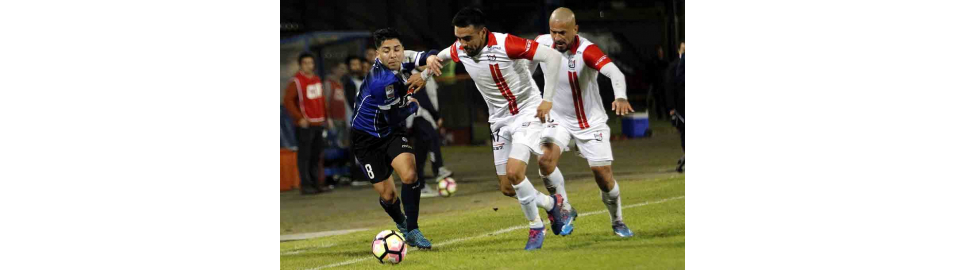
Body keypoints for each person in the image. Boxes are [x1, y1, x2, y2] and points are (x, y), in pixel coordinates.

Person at [415, 7, 569, 250]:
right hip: (498, 120)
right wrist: (423, 76)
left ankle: (536, 227)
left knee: (515, 172)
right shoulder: (459, 49)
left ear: (483, 32)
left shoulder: (506, 43)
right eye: (458, 38)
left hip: (526, 112)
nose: (461, 44)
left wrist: (547, 99)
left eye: (467, 38)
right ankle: (553, 204)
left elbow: (552, 57)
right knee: (507, 187)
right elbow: (441, 57)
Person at [531, 7, 635, 238]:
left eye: (563, 33)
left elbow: (615, 74)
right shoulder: (541, 43)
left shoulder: (587, 50)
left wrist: (620, 96)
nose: (557, 38)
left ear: (575, 29)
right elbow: (526, 67)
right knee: (545, 161)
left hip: (590, 122)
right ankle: (565, 209)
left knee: (603, 176)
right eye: (553, 32)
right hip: (558, 119)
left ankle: (617, 220)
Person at [351, 28, 442, 249]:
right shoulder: (380, 81)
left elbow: (430, 55)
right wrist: (411, 106)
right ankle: (401, 222)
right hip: (366, 138)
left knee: (410, 174)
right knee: (388, 195)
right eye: (386, 51)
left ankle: (413, 230)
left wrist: (429, 60)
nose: (393, 55)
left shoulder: (402, 58)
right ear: (377, 54)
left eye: (397, 49)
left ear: (401, 49)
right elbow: (392, 117)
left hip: (390, 134)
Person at [283, 52, 334, 195]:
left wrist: (327, 117)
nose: (308, 66)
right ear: (301, 65)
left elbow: (322, 99)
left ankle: (316, 183)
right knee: (305, 156)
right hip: (305, 124)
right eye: (305, 63)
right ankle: (305, 185)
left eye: (310, 63)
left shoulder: (317, 79)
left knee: (316, 155)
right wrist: (299, 118)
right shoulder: (296, 82)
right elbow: (288, 101)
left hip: (318, 123)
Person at [405, 69, 454, 198]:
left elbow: (433, 97)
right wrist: (436, 116)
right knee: (425, 145)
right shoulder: (414, 75)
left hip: (424, 116)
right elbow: (423, 98)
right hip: (418, 115)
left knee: (424, 147)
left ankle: (422, 182)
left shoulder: (428, 76)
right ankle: (434, 171)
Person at [665, 41, 684, 172]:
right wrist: (671, 107)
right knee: (684, 131)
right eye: (683, 49)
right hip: (680, 106)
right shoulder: (674, 67)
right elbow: (669, 87)